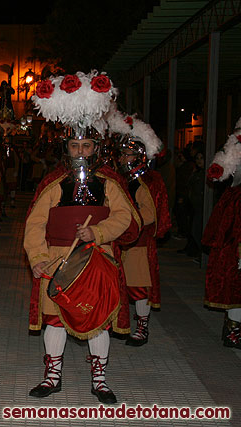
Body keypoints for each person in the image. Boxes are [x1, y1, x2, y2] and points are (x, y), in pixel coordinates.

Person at [25, 71, 141, 404]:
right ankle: (52, 376)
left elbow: (125, 218)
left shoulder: (108, 181)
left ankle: (100, 380)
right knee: (55, 320)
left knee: (98, 321)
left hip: (95, 260)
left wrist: (98, 232)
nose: (80, 149)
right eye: (74, 144)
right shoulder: (53, 181)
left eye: (86, 144)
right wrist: (38, 258)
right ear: (66, 146)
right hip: (57, 261)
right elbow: (34, 223)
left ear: (96, 147)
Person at [107, 106, 171, 346]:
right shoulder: (119, 177)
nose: (122, 158)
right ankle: (119, 322)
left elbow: (151, 214)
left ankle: (142, 327)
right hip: (118, 240)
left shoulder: (151, 180)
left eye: (127, 154)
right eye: (121, 154)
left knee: (138, 286)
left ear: (140, 155)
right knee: (118, 284)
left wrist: (129, 222)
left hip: (139, 242)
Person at [202, 118, 241, 348]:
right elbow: (220, 170)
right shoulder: (235, 143)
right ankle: (233, 328)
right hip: (236, 215)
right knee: (234, 277)